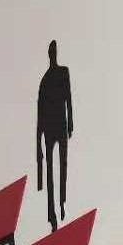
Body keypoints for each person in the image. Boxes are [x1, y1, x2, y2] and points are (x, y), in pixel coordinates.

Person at [36, 40, 74, 231]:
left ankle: (62, 203)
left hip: (61, 125)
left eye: (54, 51)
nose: (53, 54)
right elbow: (40, 113)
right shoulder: (44, 80)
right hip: (49, 129)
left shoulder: (63, 72)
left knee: (63, 165)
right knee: (50, 171)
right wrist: (38, 143)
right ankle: (52, 214)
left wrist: (71, 120)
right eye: (51, 51)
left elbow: (68, 98)